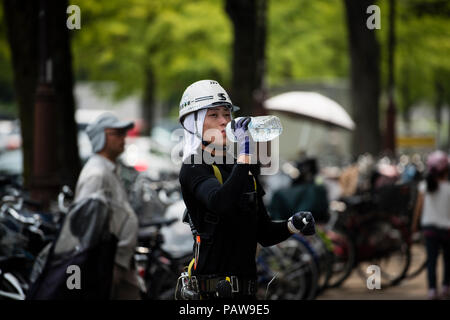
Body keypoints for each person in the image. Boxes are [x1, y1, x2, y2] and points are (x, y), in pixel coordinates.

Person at [178, 80, 315, 300]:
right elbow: (220, 202)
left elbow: (264, 233)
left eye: (227, 114)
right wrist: (244, 157)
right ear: (194, 123)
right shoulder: (194, 166)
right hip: (211, 294)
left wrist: (293, 224)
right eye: (214, 115)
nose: (224, 121)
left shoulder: (241, 168)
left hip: (247, 294)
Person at [76, 112, 140, 300]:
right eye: (117, 133)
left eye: (124, 133)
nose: (123, 138)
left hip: (119, 259)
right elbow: (84, 223)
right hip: (107, 261)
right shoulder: (97, 174)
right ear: (101, 136)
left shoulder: (108, 169)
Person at [412, 150, 450, 300]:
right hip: (447, 230)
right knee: (447, 260)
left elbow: (418, 208)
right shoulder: (448, 188)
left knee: (431, 261)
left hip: (429, 229)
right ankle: (446, 287)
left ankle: (432, 290)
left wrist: (414, 225)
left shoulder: (424, 186)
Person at [269, 157, 330, 224]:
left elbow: (276, 219)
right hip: (311, 229)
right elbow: (323, 216)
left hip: (288, 230)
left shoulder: (280, 193)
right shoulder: (318, 190)